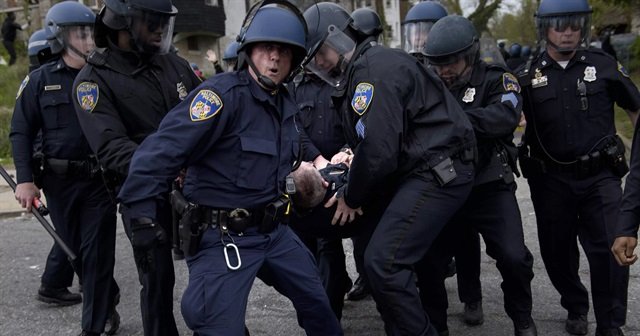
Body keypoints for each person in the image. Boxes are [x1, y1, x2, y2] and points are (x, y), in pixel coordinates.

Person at [117, 2, 343, 335]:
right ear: (250, 50)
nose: (275, 58)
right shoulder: (219, 97)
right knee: (216, 326)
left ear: (295, 60)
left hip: (273, 232)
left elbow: (289, 158)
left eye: (284, 51)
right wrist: (141, 215)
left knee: (319, 306)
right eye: (267, 48)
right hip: (223, 237)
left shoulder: (285, 104)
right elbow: (159, 152)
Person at [304, 3, 477, 335]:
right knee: (411, 260)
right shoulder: (367, 67)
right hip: (424, 168)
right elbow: (376, 141)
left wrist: (351, 196)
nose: (319, 63)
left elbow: (379, 151)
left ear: (339, 38)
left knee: (384, 263)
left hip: (436, 170)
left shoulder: (369, 71)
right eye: (313, 59)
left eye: (320, 53)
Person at [72, 0, 201, 335]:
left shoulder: (173, 64)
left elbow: (206, 115)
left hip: (194, 185)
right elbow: (111, 146)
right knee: (157, 279)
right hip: (143, 194)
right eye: (151, 22)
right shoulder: (93, 80)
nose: (160, 29)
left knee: (212, 265)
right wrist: (167, 165)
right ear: (122, 25)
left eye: (163, 22)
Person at [517, 0, 640, 335]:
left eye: (574, 25)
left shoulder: (603, 64)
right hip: (551, 181)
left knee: (611, 250)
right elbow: (510, 119)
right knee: (556, 254)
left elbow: (635, 108)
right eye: (560, 25)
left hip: (600, 178)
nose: (568, 32)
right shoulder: (528, 75)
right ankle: (575, 304)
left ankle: (610, 323)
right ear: (545, 28)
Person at [419, 15, 537, 336]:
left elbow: (504, 116)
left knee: (514, 258)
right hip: (444, 183)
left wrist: (452, 124)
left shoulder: (497, 80)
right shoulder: (430, 84)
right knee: (428, 260)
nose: (444, 70)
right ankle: (437, 324)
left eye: (451, 63)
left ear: (469, 55)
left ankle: (522, 318)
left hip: (488, 184)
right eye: (437, 63)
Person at [10, 2, 121, 336]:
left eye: (90, 33)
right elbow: (21, 131)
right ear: (61, 36)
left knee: (98, 252)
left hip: (99, 182)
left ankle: (95, 325)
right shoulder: (39, 81)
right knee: (76, 251)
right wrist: (26, 180)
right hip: (58, 183)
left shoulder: (106, 78)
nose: (88, 40)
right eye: (80, 33)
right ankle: (108, 296)